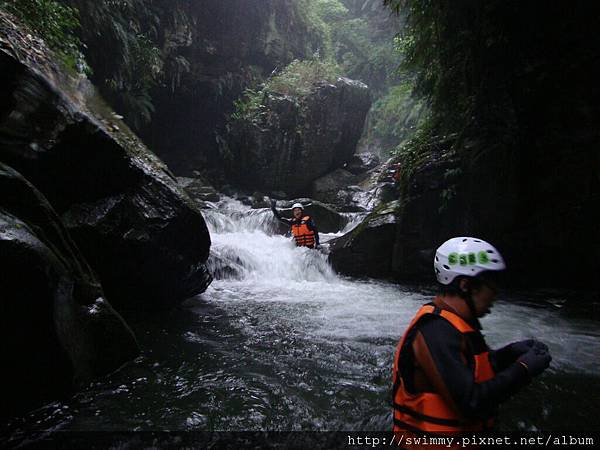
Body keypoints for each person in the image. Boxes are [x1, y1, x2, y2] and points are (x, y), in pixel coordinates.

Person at [392, 237, 552, 438]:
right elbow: (470, 402)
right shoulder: (436, 331)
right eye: (491, 284)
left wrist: (509, 354)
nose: (496, 292)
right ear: (465, 285)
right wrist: (524, 370)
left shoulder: (457, 324)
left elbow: (471, 369)